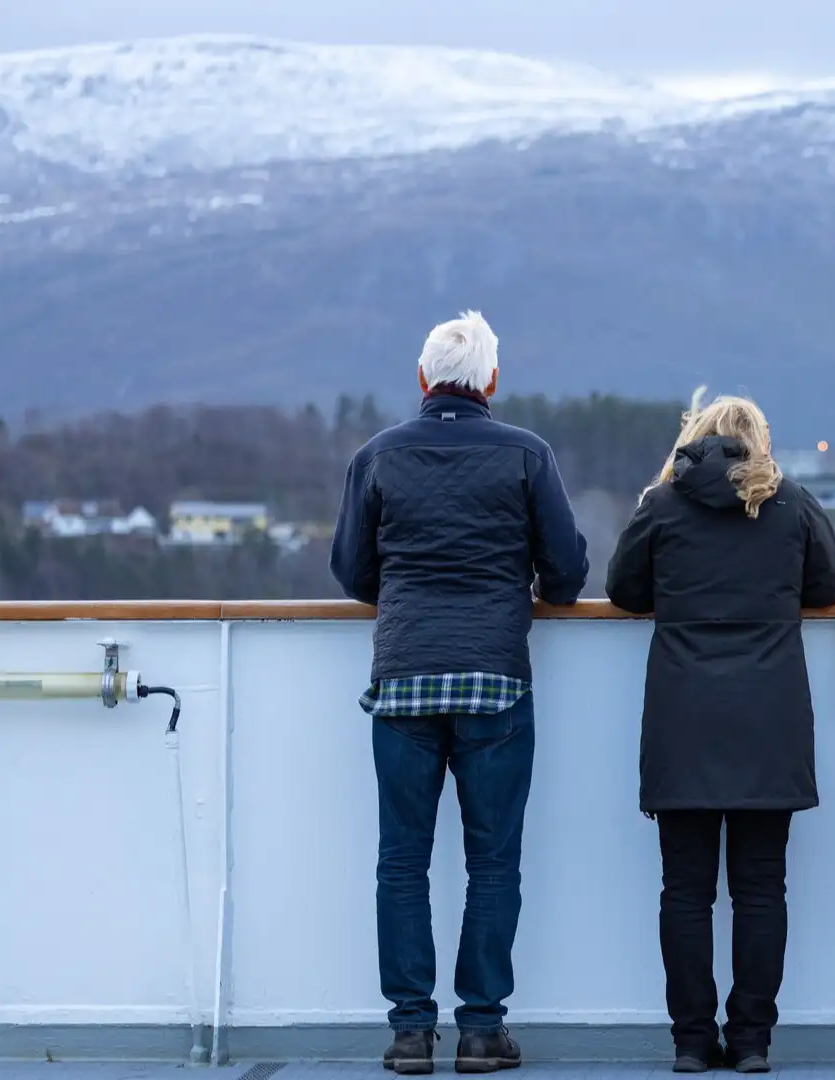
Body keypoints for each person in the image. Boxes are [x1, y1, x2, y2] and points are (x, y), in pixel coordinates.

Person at [330, 310, 590, 1076]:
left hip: (404, 679)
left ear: (423, 379)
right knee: (494, 863)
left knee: (401, 862)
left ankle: (411, 1032)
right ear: (493, 381)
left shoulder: (376, 457)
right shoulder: (526, 455)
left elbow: (351, 572)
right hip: (495, 681)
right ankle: (481, 1030)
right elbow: (569, 577)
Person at [606, 390, 835, 1075]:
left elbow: (624, 591)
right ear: (758, 444)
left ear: (696, 438)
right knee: (761, 889)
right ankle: (751, 1042)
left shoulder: (662, 503)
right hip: (768, 717)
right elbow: (825, 586)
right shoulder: (792, 503)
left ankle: (690, 1041)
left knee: (684, 890)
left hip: (684, 717)